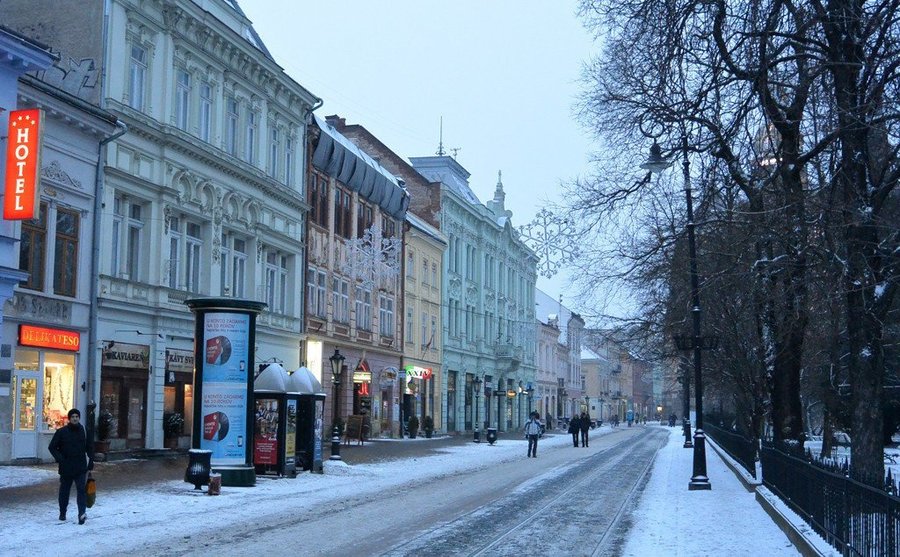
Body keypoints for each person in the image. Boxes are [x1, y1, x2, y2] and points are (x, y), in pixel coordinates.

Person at [48, 408, 93, 525]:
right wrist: (60, 459)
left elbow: (89, 446)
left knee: (81, 491)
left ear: (79, 418)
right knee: (64, 491)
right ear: (69, 419)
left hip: (80, 466)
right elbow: (52, 447)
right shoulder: (62, 432)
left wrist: (91, 460)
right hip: (66, 467)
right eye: (73, 417)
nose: (75, 419)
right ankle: (62, 512)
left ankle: (81, 514)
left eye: (77, 417)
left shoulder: (84, 430)